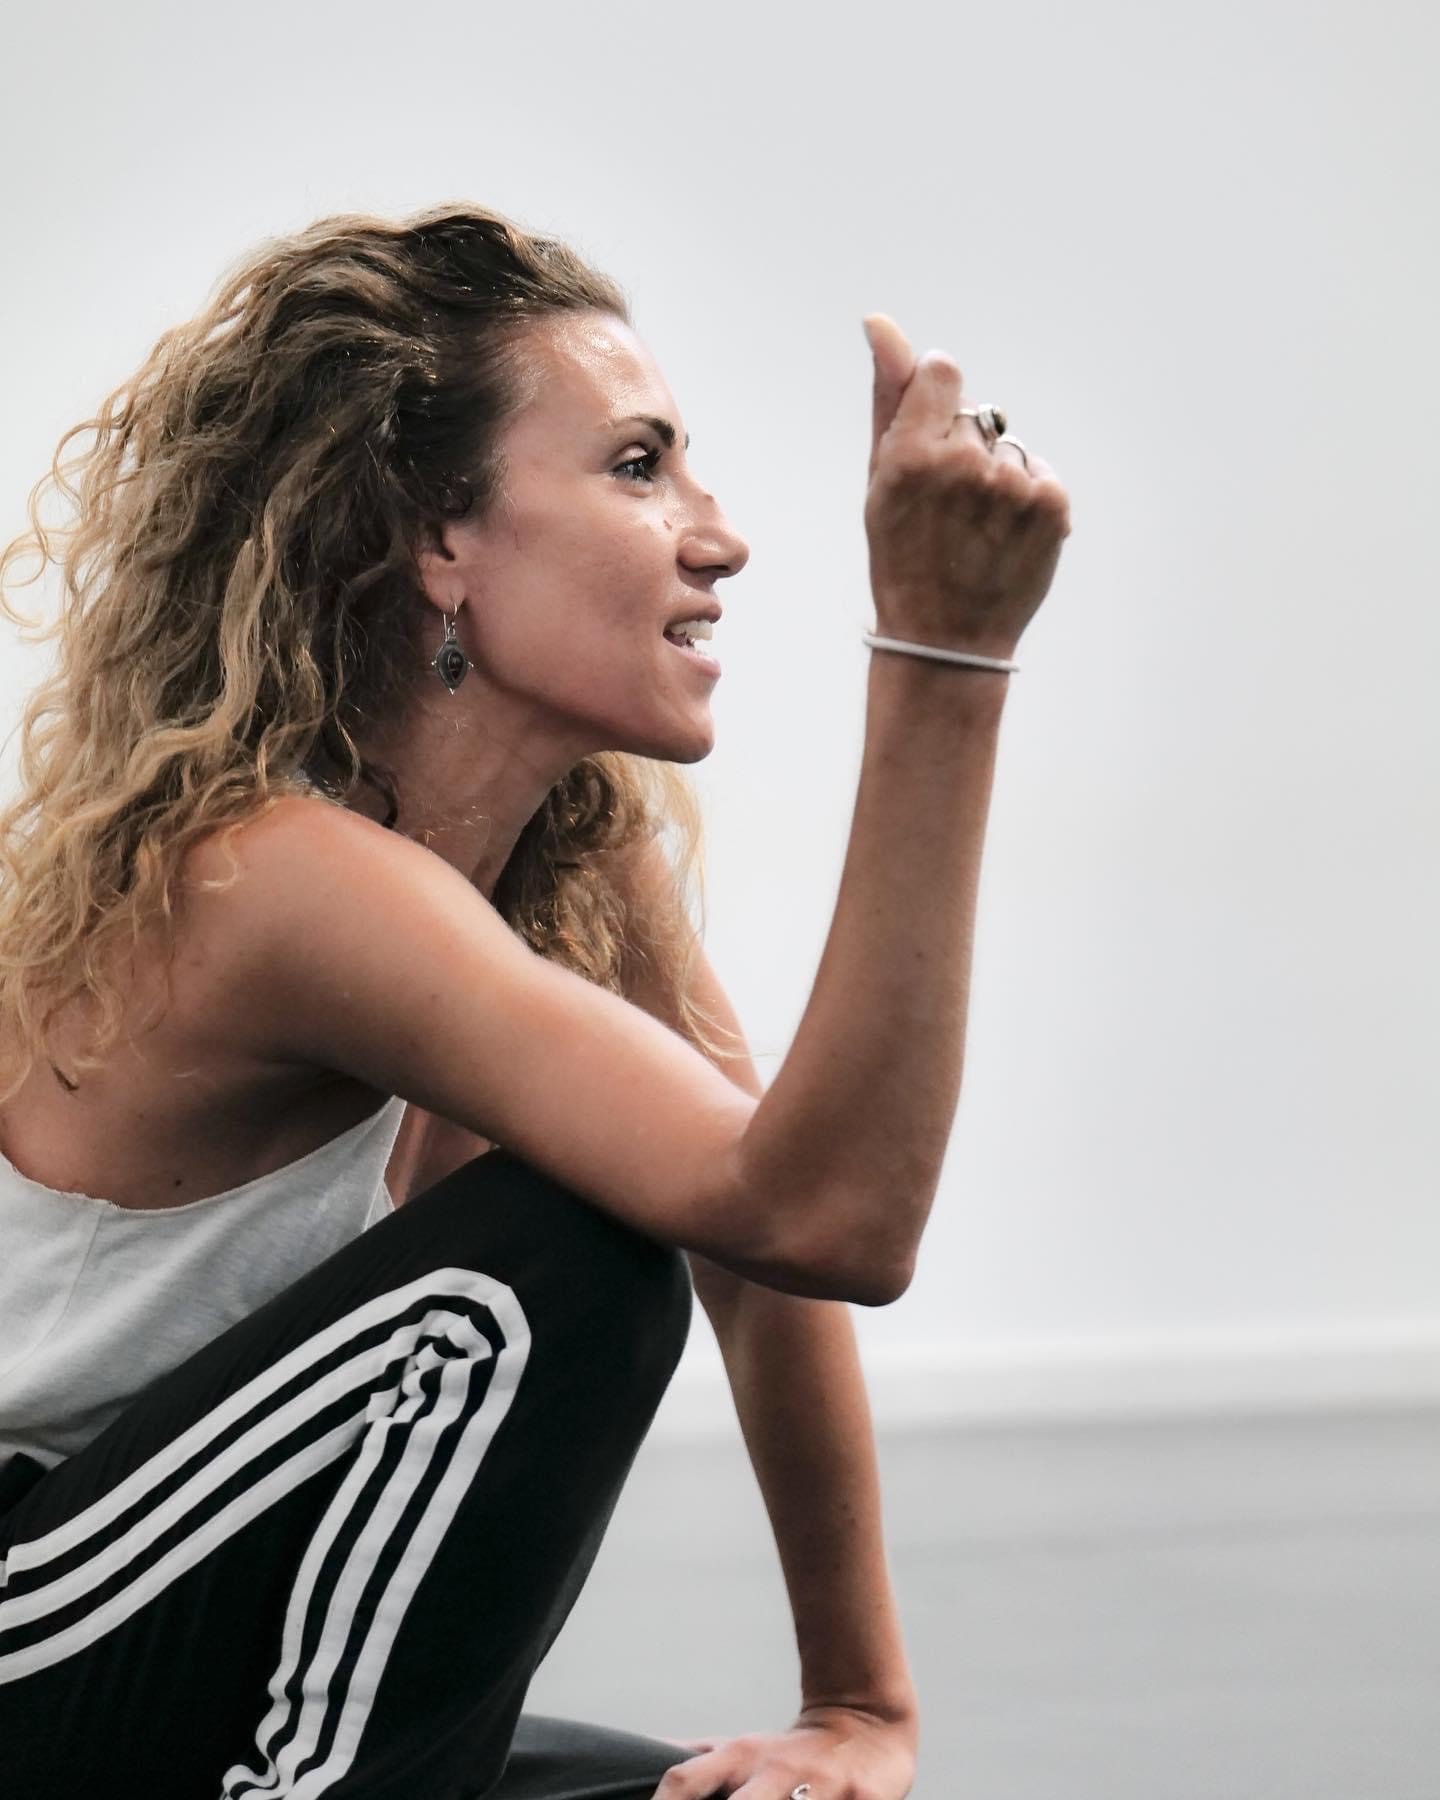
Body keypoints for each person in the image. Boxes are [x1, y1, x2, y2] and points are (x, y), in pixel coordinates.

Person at [0, 203, 1071, 1800]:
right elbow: (830, 1211)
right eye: (639, 467)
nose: (719, 533)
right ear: (442, 538)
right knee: (558, 1257)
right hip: (37, 1614)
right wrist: (943, 647)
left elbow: (773, 1262)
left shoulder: (566, 858)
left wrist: (856, 1710)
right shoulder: (277, 873)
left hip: (155, 1631)